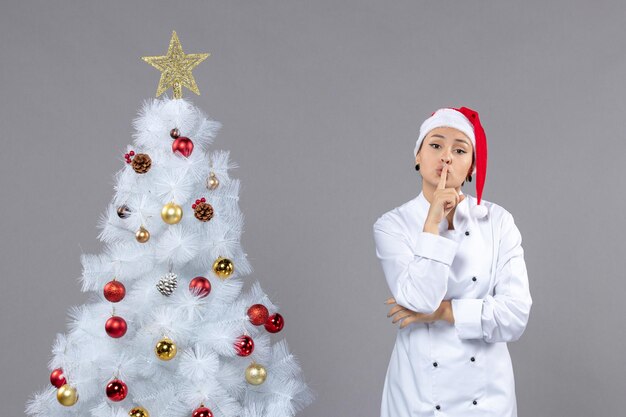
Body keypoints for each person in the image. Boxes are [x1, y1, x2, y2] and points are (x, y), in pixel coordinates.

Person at [372, 106, 532, 417]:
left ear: (472, 167)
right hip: (418, 397)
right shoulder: (392, 224)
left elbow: (515, 316)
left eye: (460, 150)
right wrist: (432, 225)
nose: (446, 156)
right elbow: (420, 298)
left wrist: (445, 311)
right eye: (435, 145)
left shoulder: (498, 222)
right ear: (417, 156)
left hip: (487, 401)